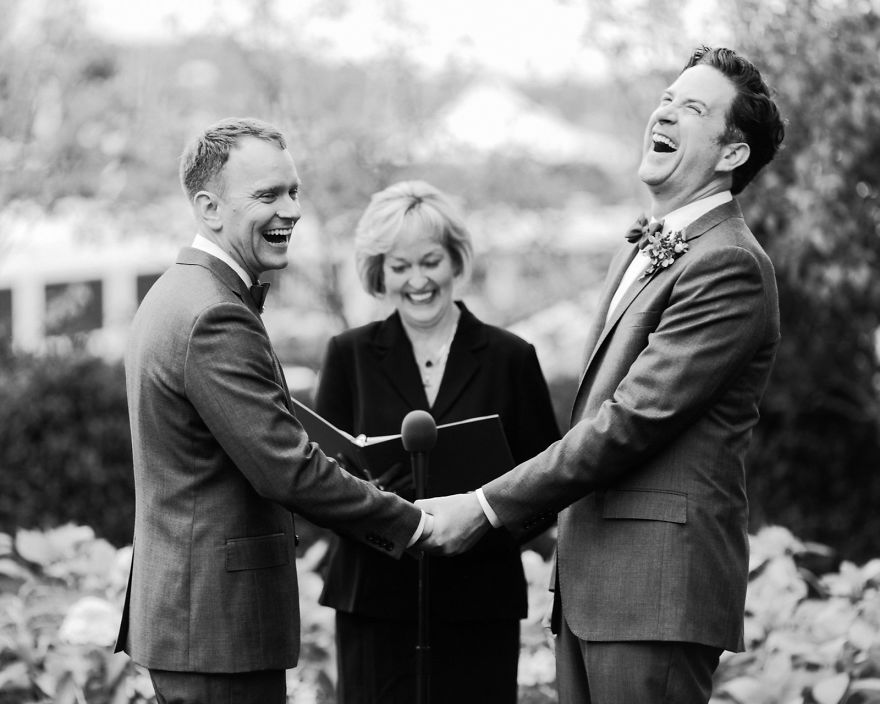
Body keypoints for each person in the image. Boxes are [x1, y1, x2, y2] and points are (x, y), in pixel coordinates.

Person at [418, 46, 785, 704]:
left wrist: (484, 506)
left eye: (692, 108)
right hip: (595, 587)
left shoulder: (729, 264)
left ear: (732, 153)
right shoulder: (645, 248)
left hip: (654, 593)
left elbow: (629, 421)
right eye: (666, 99)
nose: (664, 113)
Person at [114, 117, 432, 704]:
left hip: (198, 625)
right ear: (209, 208)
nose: (291, 210)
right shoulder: (214, 314)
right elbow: (286, 468)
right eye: (267, 195)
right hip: (218, 630)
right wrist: (414, 524)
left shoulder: (178, 291)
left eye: (293, 191)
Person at [313, 180, 560, 704]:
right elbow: (318, 484)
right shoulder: (348, 355)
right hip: (374, 601)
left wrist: (482, 522)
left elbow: (549, 484)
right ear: (379, 273)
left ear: (455, 260)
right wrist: (382, 513)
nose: (418, 280)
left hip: (479, 603)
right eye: (400, 266)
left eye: (430, 261)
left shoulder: (511, 358)